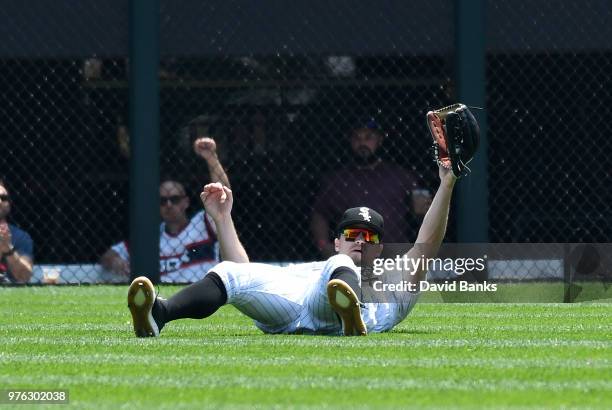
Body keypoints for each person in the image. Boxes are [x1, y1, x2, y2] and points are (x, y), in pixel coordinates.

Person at [127, 161, 458, 337]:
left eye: (369, 237)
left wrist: (447, 181)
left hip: (356, 308)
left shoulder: (396, 280)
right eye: (353, 234)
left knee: (337, 269)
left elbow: (427, 243)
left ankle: (350, 314)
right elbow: (246, 272)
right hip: (300, 304)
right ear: (337, 238)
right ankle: (159, 314)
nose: (360, 240)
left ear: (381, 247)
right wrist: (223, 220)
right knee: (231, 274)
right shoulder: (318, 267)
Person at [100, 137, 231, 283]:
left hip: (203, 291)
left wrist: (211, 158)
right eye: (162, 201)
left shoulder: (203, 223)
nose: (168, 205)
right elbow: (109, 255)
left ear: (185, 202)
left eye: (174, 199)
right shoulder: (151, 237)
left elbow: (222, 196)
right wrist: (116, 261)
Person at [311, 118, 432, 257]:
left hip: (394, 256)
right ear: (350, 141)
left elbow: (424, 212)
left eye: (368, 137)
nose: (362, 143)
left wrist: (424, 210)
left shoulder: (402, 176)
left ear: (379, 140)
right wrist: (324, 245)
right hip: (352, 257)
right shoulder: (336, 180)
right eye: (357, 138)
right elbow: (319, 214)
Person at [0, 179, 34, 283]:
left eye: (3, 198)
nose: (0, 201)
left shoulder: (20, 236)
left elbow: (24, 278)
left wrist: (7, 248)